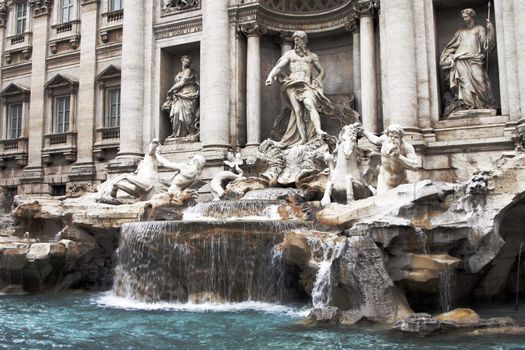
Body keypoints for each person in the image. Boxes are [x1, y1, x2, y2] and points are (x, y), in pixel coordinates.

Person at [265, 31, 334, 147]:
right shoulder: (290, 54)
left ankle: (318, 131)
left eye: (300, 39)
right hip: (292, 84)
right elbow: (278, 67)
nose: (297, 41)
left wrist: (317, 79)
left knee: (310, 105)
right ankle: (303, 138)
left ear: (305, 41)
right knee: (298, 112)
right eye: (295, 39)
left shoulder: (312, 56)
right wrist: (270, 77)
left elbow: (321, 71)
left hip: (306, 85)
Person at [440, 8, 496, 117]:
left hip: (475, 59)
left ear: (472, 16)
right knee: (464, 83)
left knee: (480, 81)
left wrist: (491, 31)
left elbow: (487, 46)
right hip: (460, 60)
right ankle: (467, 105)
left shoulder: (479, 29)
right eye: (463, 17)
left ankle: (482, 104)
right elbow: (450, 47)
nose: (465, 19)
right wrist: (447, 57)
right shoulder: (460, 32)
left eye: (466, 17)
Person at [361, 124, 419, 195]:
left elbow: (415, 166)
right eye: (391, 136)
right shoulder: (384, 140)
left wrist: (399, 157)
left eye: (396, 137)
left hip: (401, 182)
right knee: (382, 203)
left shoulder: (407, 147)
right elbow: (375, 140)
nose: (392, 139)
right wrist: (364, 132)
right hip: (385, 181)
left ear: (401, 138)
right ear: (387, 136)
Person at [165, 55, 199, 139]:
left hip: (189, 93)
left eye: (188, 62)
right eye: (185, 61)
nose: (186, 63)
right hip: (179, 95)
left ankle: (187, 132)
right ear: (182, 61)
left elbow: (182, 83)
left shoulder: (188, 71)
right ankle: (176, 133)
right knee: (176, 112)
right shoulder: (179, 73)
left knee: (188, 116)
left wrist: (171, 89)